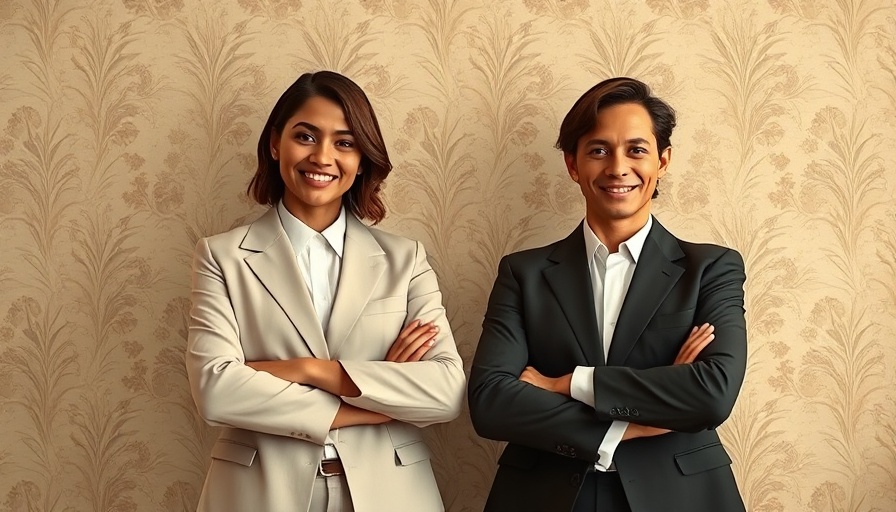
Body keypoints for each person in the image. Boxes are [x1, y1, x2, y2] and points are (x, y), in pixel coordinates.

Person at [186, 70, 465, 512]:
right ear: (276, 143)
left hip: (390, 490)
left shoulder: (405, 259)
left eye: (345, 142)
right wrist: (375, 399)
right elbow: (217, 391)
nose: (322, 156)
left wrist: (311, 370)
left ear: (361, 158)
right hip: (258, 492)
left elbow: (445, 391)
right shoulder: (222, 257)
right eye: (306, 136)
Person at [468, 77, 747, 512]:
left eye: (636, 150)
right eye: (598, 150)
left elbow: (712, 393)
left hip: (680, 495)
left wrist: (566, 384)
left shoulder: (711, 268)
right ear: (573, 165)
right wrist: (634, 424)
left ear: (663, 161)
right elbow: (491, 403)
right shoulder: (523, 273)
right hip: (544, 494)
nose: (618, 167)